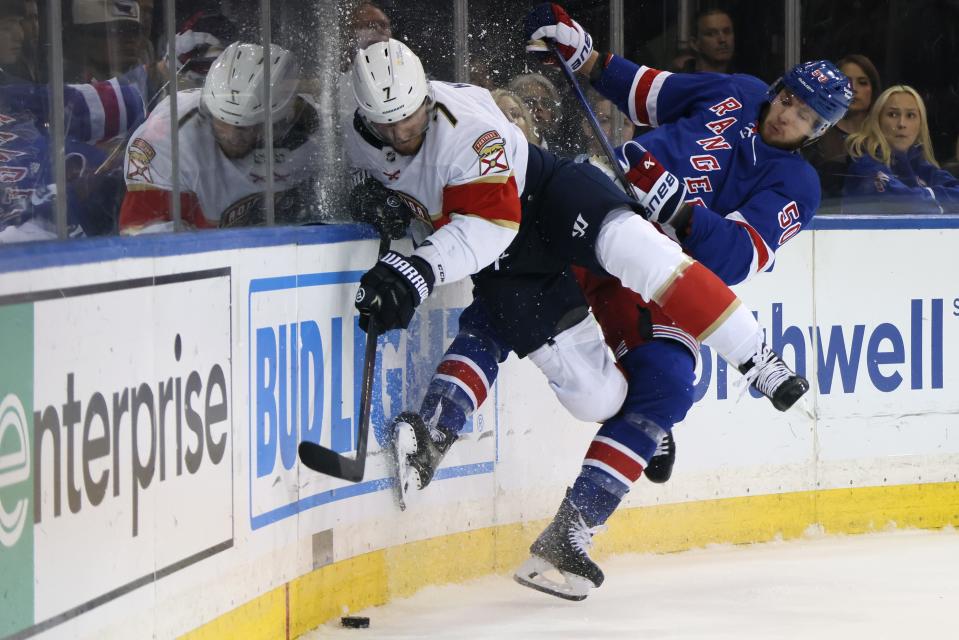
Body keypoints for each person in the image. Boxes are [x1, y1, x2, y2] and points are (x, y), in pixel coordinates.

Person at [344, 38, 810, 523]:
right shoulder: (361, 135)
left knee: (643, 251)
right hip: (514, 252)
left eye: (411, 116)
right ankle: (614, 414)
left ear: (426, 95)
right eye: (386, 123)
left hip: (546, 198)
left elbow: (490, 227)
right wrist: (374, 197)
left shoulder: (467, 129)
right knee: (595, 398)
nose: (401, 131)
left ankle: (757, 359)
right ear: (365, 116)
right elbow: (395, 178)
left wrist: (418, 270)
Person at [509, 3, 852, 600]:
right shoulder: (736, 91)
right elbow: (646, 92)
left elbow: (736, 259)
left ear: (819, 131)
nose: (787, 114)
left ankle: (572, 529)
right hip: (600, 209)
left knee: (667, 385)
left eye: (805, 114)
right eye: (789, 98)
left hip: (668, 276)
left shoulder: (799, 186)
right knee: (507, 283)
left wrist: (681, 210)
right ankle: (438, 421)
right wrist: (584, 54)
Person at [118, 41, 321, 232]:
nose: (231, 135)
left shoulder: (314, 138)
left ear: (276, 122)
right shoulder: (169, 139)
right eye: (222, 120)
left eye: (245, 127)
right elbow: (146, 237)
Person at [1, 0, 145, 242]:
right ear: (81, 37)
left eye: (133, 32)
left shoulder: (15, 85)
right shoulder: (21, 92)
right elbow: (80, 104)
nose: (21, 33)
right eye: (7, 26)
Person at [843, 85, 959, 213]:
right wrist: (938, 199)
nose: (902, 124)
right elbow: (905, 204)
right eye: (893, 114)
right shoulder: (864, 166)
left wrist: (927, 199)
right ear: (878, 120)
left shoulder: (921, 166)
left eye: (910, 115)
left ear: (921, 124)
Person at [804, 54, 881, 197]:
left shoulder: (884, 138)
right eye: (846, 82)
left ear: (873, 89)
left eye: (862, 82)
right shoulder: (814, 136)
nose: (854, 89)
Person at [508, 72, 563, 150]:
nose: (539, 107)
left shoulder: (560, 154)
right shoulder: (506, 148)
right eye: (529, 102)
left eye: (546, 103)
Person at [682, 8, 736, 74]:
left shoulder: (742, 81)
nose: (722, 39)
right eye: (711, 34)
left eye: (727, 32)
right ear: (694, 44)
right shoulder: (679, 80)